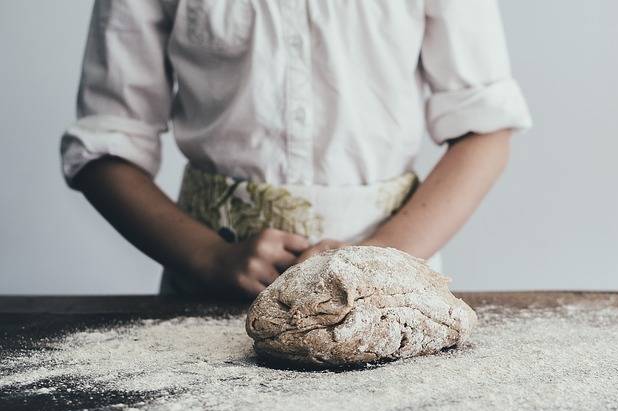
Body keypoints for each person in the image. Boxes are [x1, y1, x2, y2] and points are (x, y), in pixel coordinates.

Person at [60, 0, 531, 298]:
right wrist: (207, 258)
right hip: (209, 291)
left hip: (392, 287)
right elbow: (105, 146)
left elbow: (484, 130)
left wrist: (377, 260)